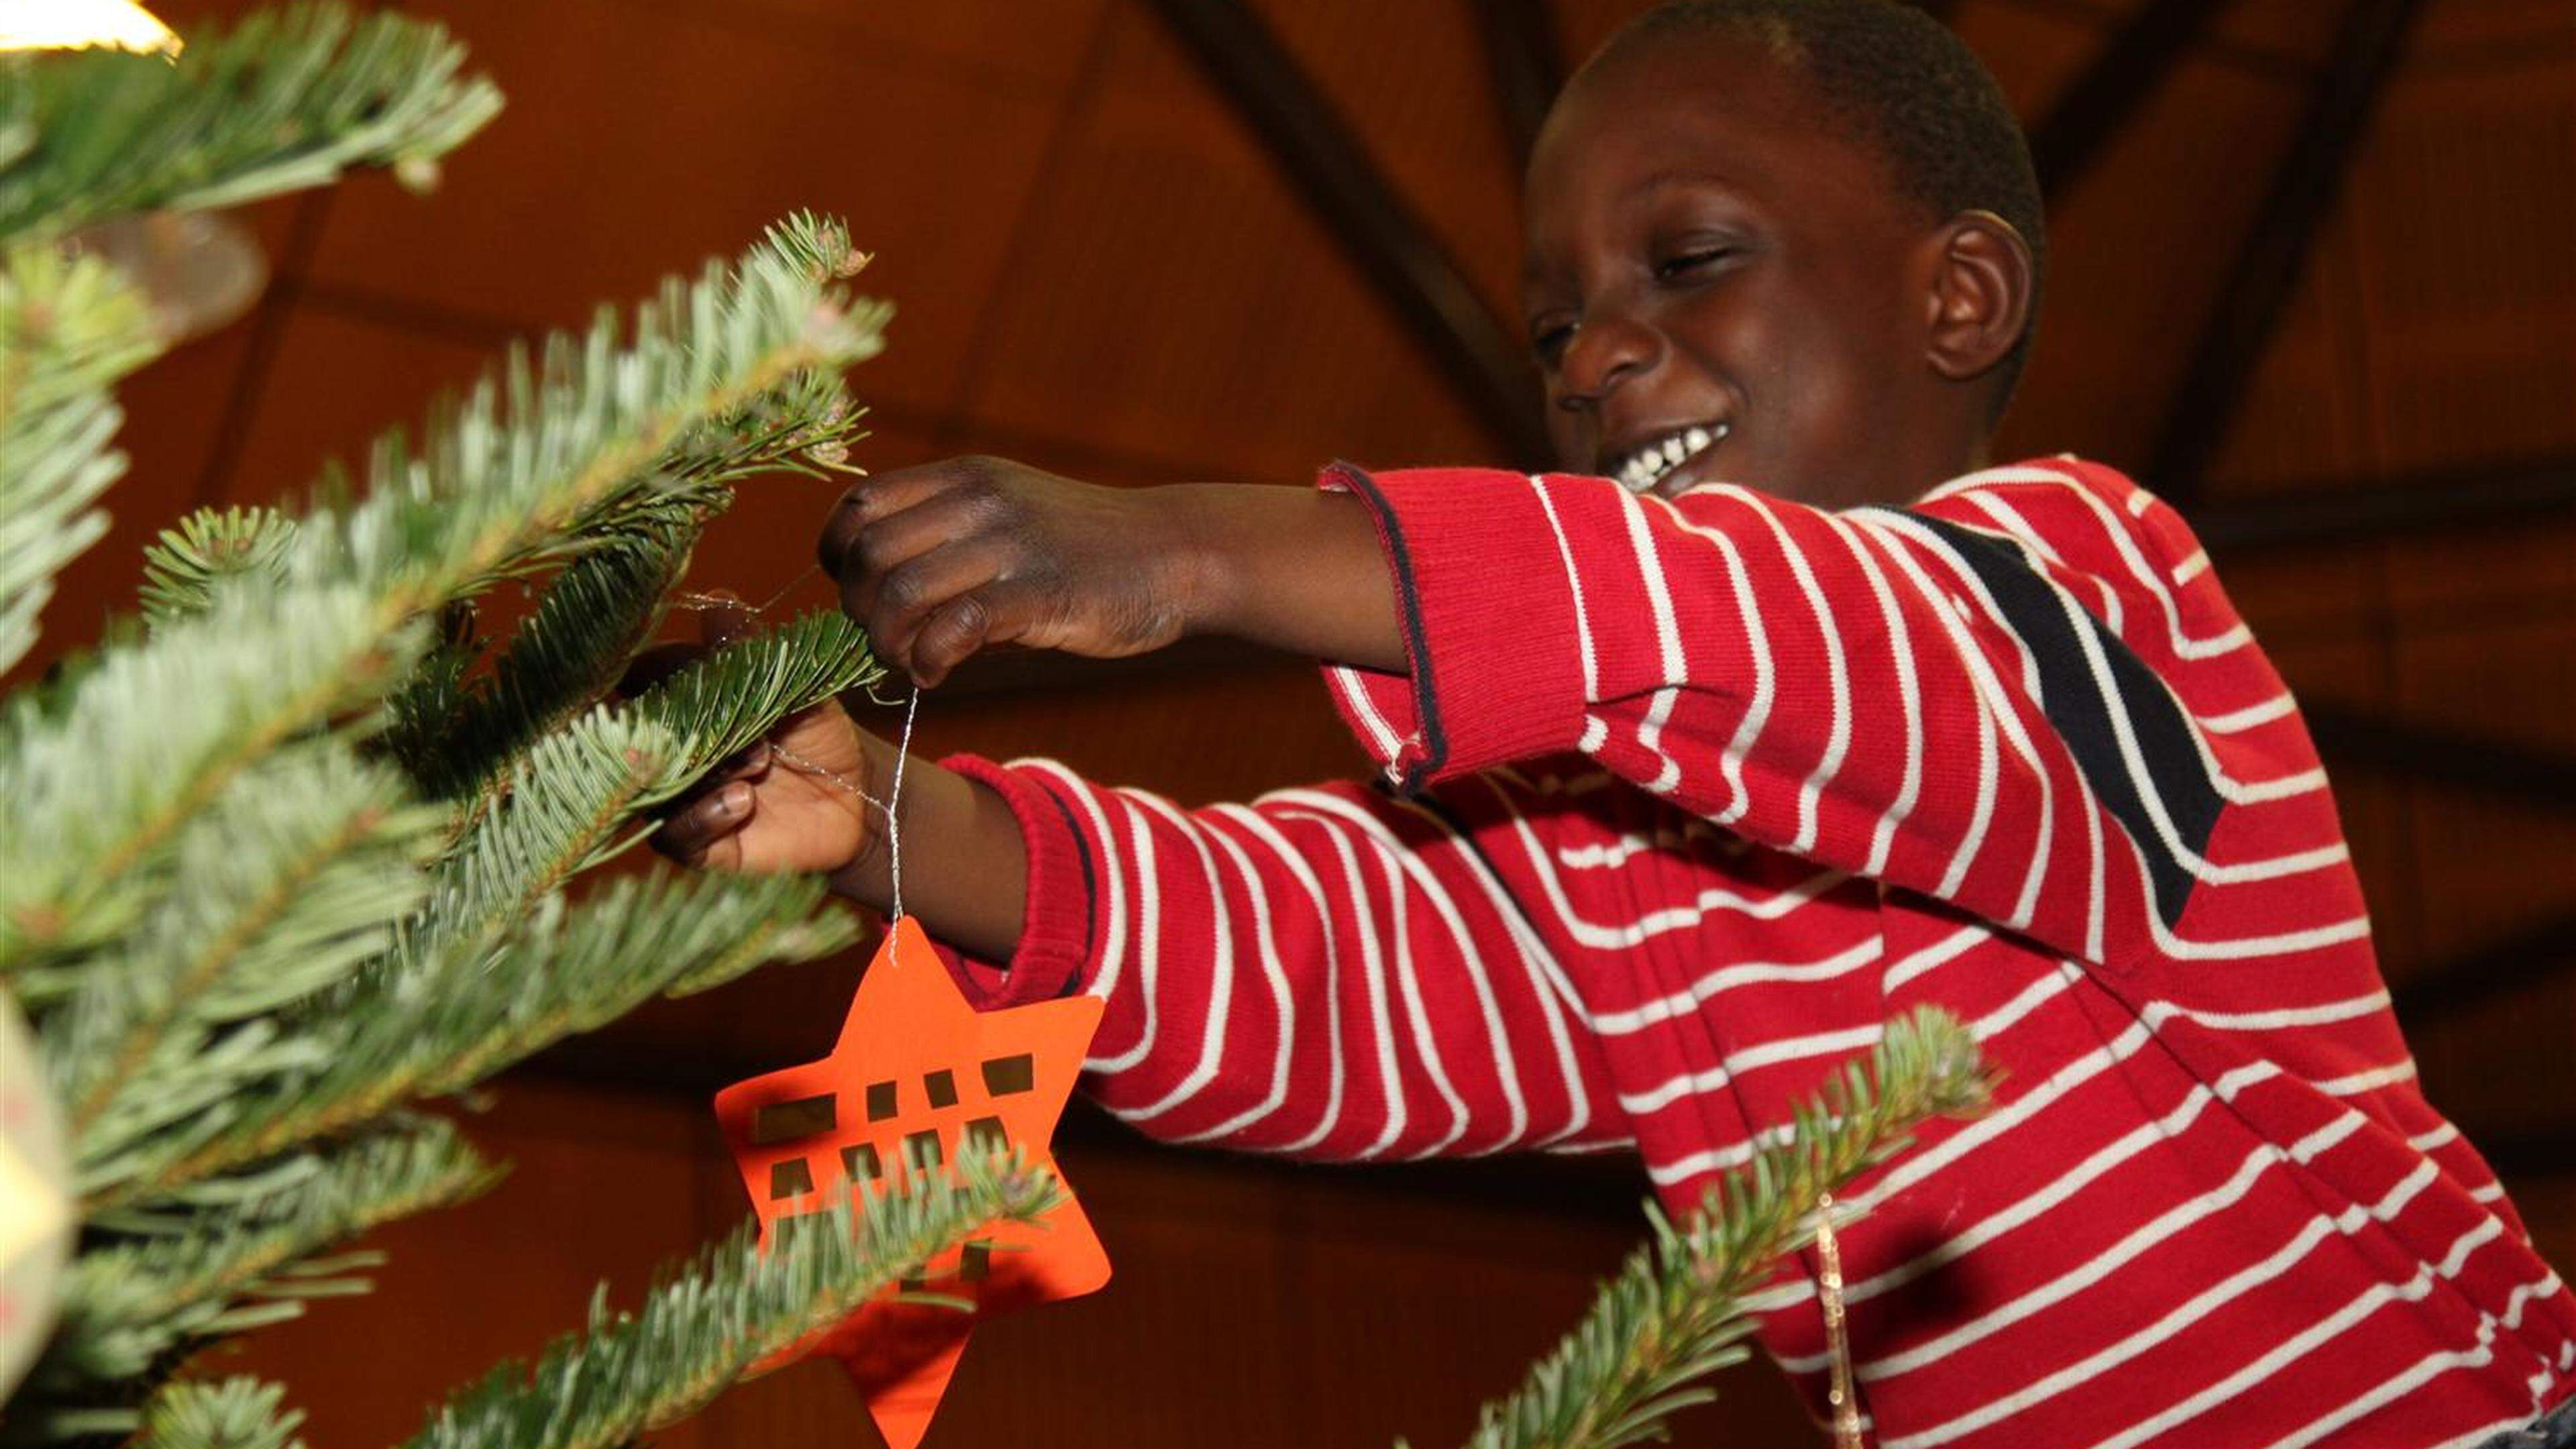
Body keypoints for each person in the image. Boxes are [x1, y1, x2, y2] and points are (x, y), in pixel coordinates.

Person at [652, 2, 2576, 1442]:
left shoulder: (2077, 590)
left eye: (1689, 263)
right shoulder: (1628, 866)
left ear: (1961, 296)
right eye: (1556, 325)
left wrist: (1199, 550)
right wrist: (899, 821)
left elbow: (1800, 642)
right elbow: (1342, 970)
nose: (1600, 355)